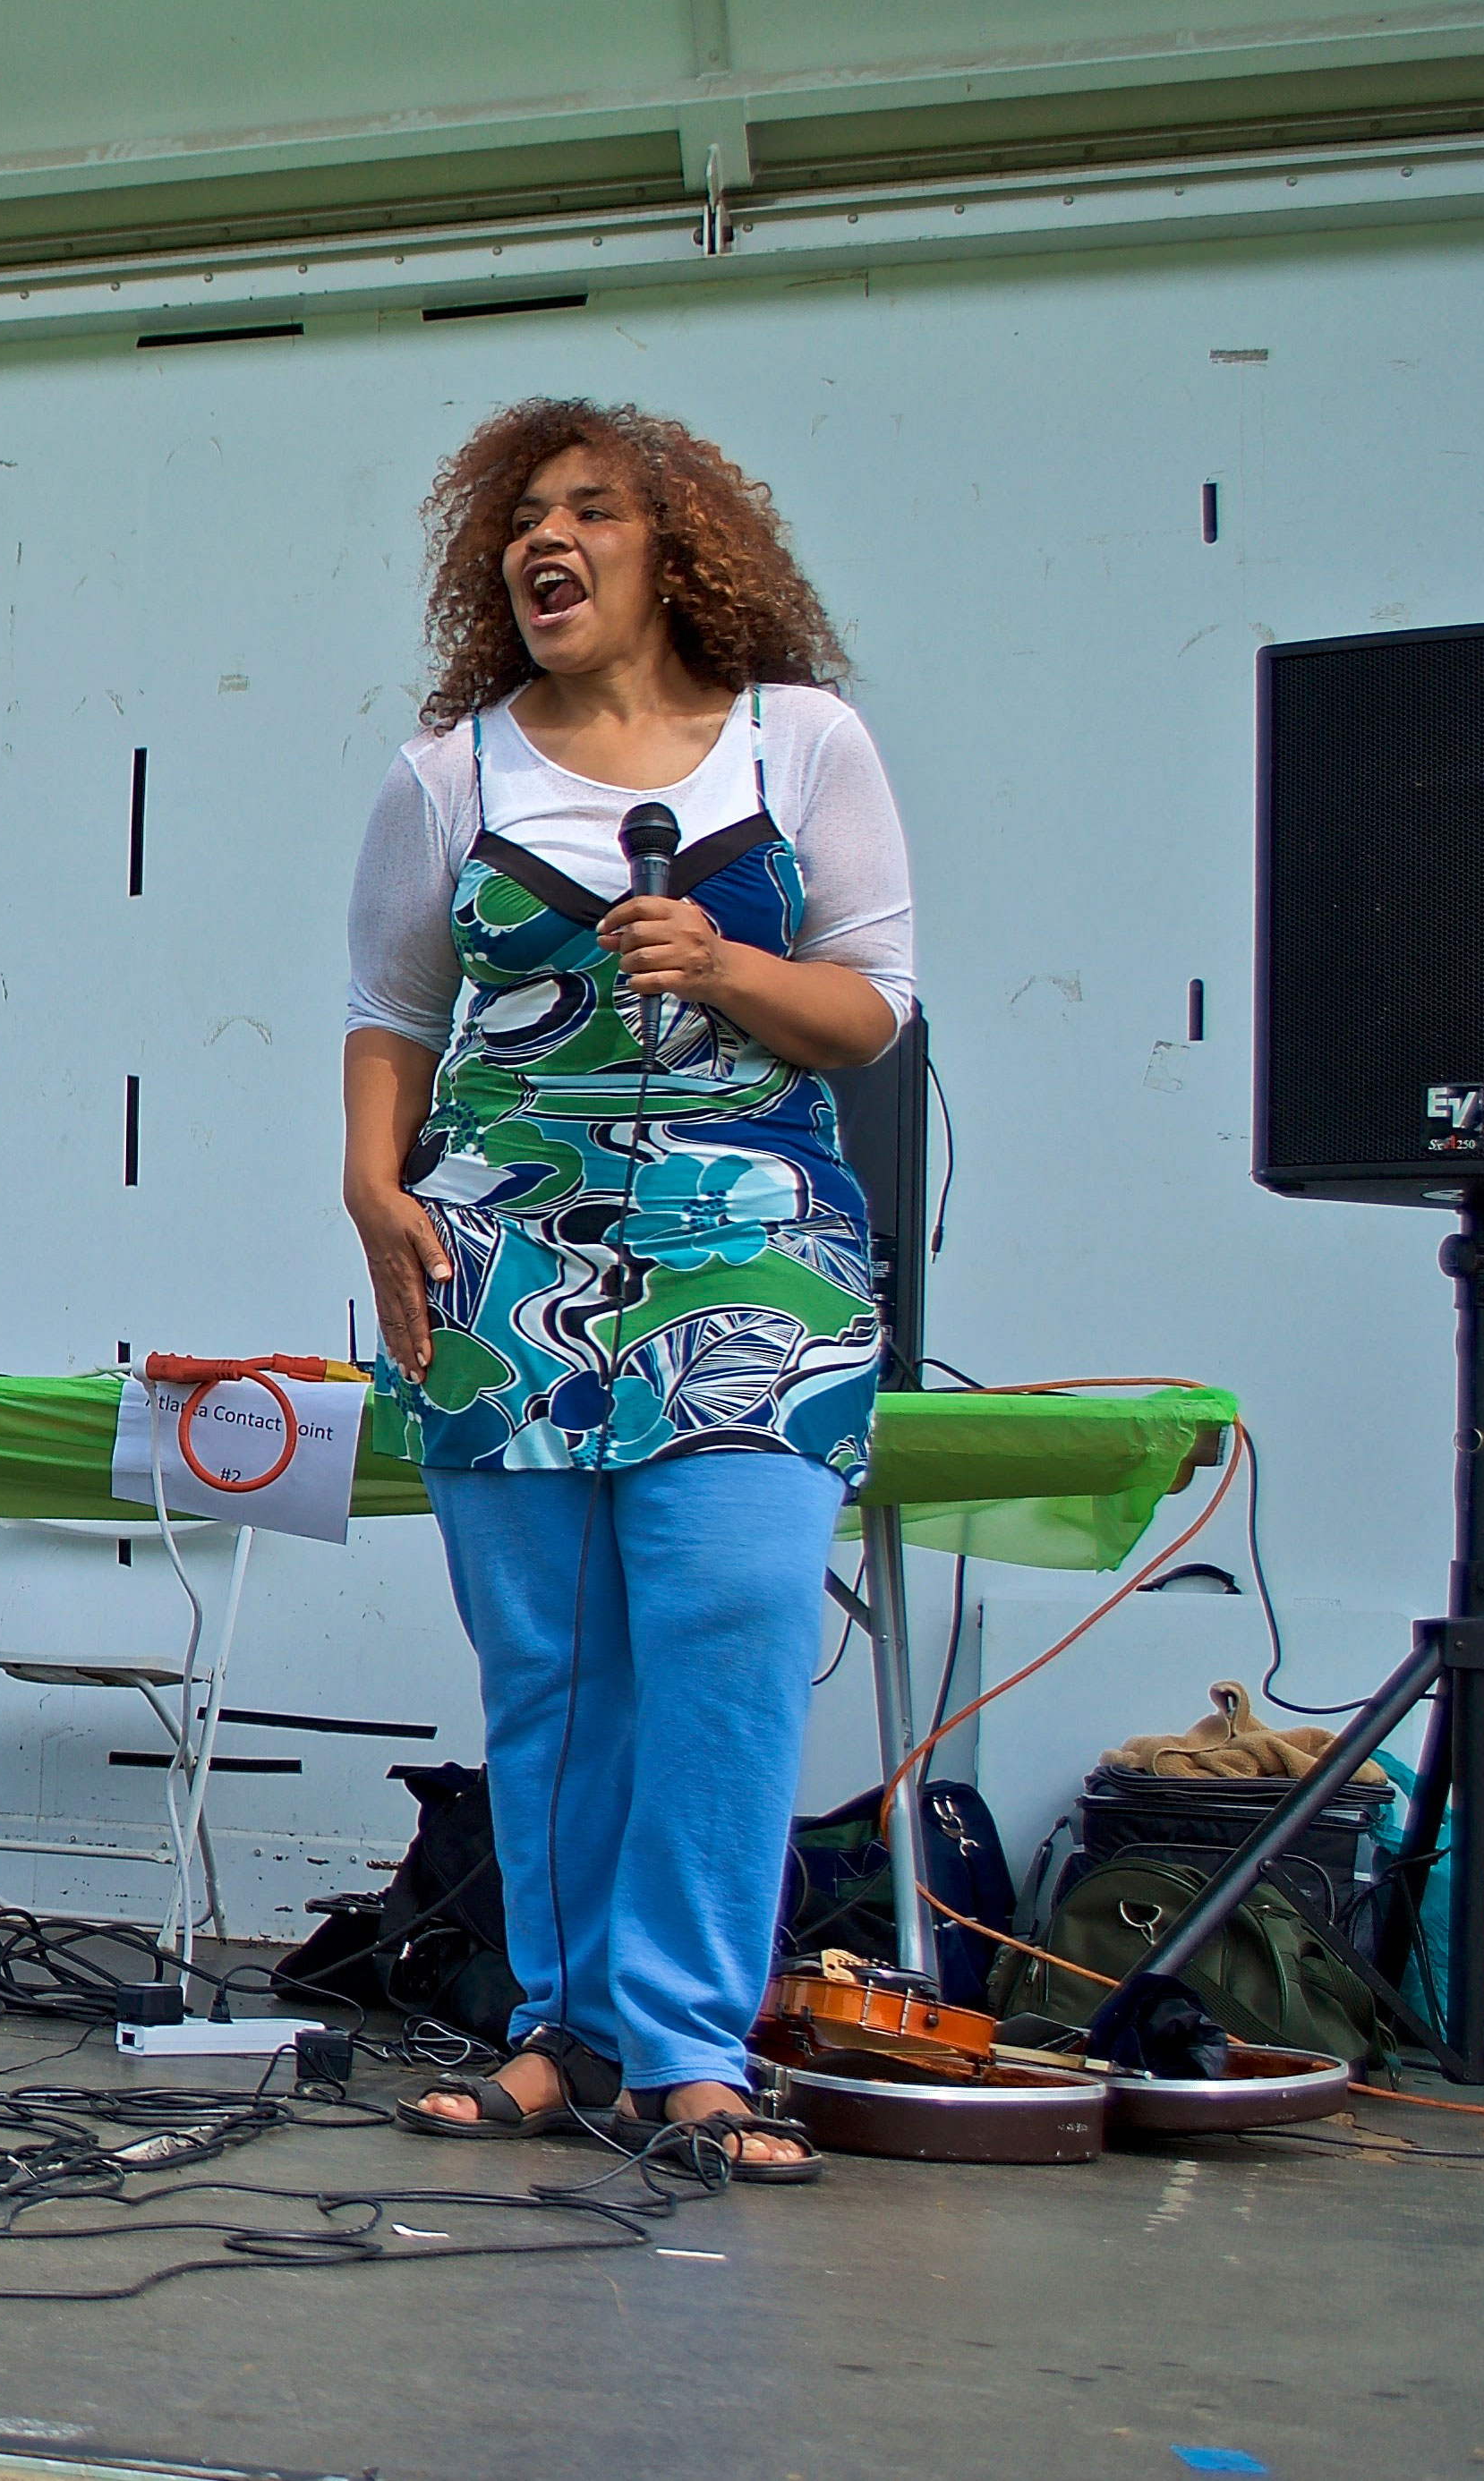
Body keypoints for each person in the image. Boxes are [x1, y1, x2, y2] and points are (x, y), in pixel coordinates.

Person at [339, 400, 916, 2181]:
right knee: (552, 1665)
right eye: (520, 518)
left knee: (732, 1624)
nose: (544, 540)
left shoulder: (798, 743)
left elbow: (874, 1004)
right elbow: (392, 1010)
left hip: (752, 1246)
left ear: (680, 551)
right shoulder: (450, 776)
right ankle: (563, 2032)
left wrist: (728, 961)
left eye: (588, 511)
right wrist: (372, 1186)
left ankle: (689, 2042)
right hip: (505, 1246)